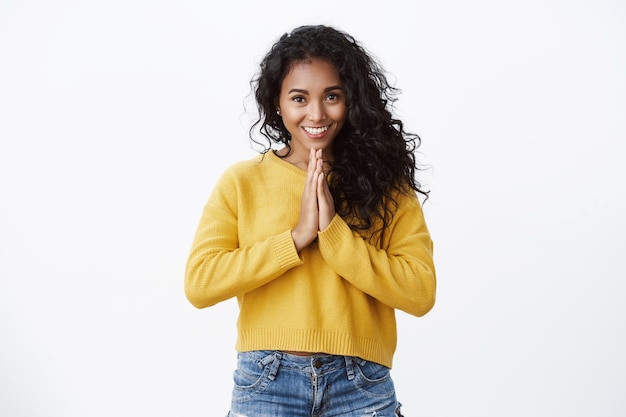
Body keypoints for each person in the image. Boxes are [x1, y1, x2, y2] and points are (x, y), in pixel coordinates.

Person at [185, 24, 436, 417]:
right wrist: (297, 237)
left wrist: (334, 234)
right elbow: (201, 283)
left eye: (332, 96)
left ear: (351, 100)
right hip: (267, 380)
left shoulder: (387, 185)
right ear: (278, 102)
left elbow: (420, 292)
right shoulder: (242, 182)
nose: (316, 113)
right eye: (299, 98)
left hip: (361, 384)